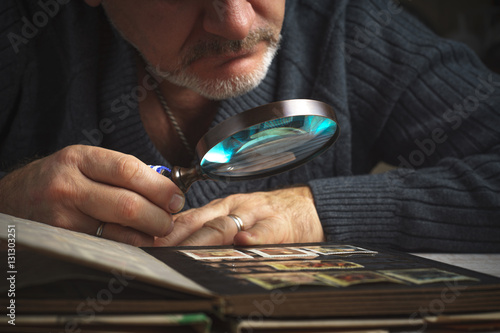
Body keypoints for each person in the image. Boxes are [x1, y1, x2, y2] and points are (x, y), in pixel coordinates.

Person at [0, 0, 499, 252]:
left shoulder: (355, 33)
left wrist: (315, 210)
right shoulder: (21, 38)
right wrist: (6, 209)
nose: (237, 24)